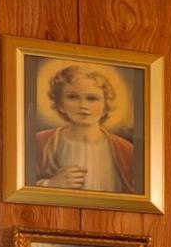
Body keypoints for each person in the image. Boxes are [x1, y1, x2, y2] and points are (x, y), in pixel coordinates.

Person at [31, 63, 137, 192]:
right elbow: (18, 185)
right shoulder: (40, 142)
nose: (83, 105)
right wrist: (51, 184)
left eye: (92, 98)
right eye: (73, 97)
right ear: (60, 104)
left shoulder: (125, 149)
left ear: (105, 106)